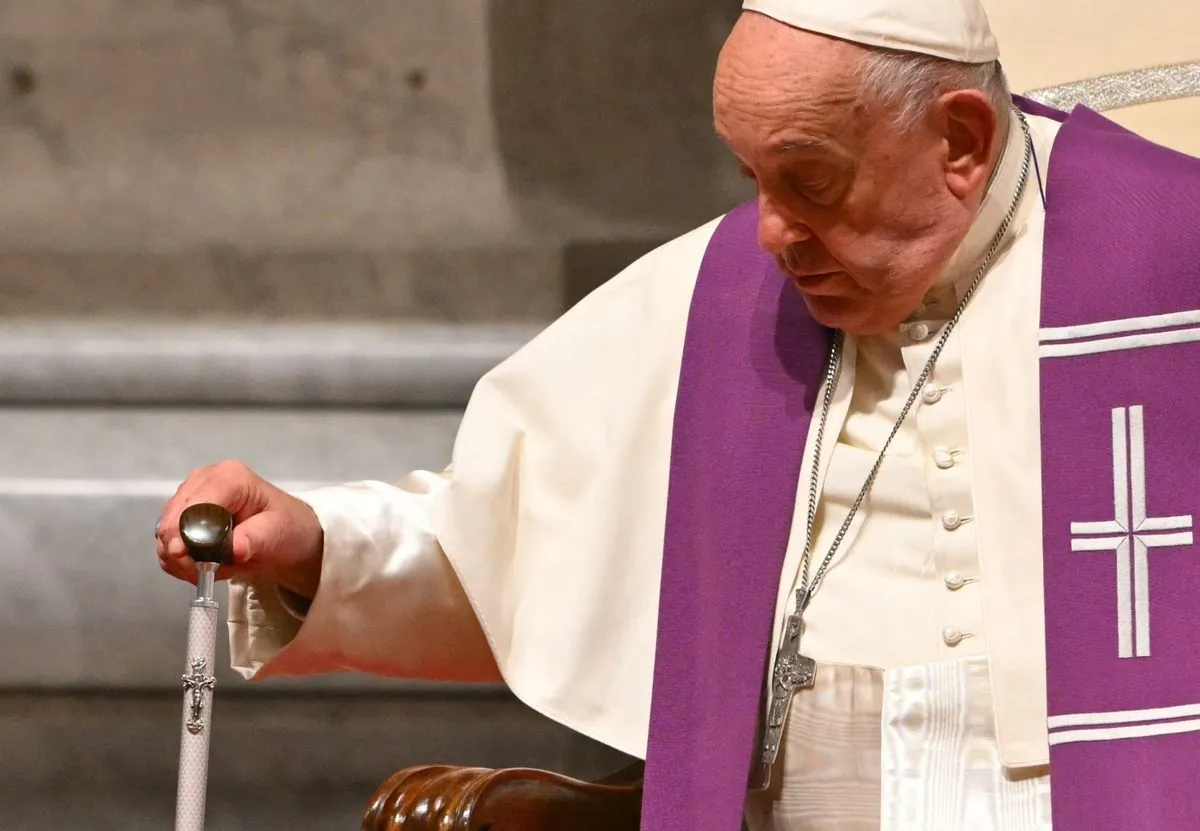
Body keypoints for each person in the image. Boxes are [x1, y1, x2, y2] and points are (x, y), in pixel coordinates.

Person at [156, 1, 1200, 829]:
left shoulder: (1168, 261)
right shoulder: (716, 296)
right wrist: (314, 547)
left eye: (811, 179)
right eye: (752, 178)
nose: (772, 234)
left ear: (960, 143)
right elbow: (519, 536)